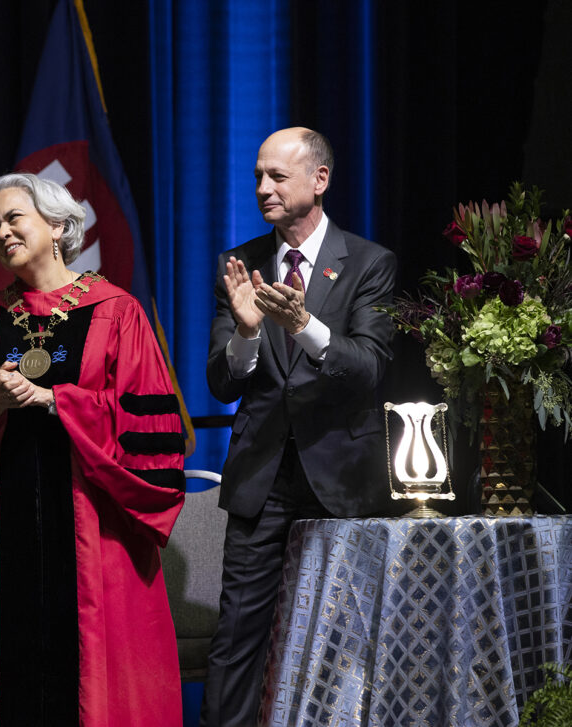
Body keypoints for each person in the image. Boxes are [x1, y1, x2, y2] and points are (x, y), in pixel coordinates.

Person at [0, 173, 185, 727]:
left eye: (14, 218)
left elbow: (151, 436)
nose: (1, 232)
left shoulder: (118, 312)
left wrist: (57, 400)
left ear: (58, 225)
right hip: (6, 528)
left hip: (97, 529)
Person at [201, 127, 396, 727]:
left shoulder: (368, 262)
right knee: (237, 638)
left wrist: (307, 325)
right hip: (263, 476)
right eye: (258, 176)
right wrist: (248, 331)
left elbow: (369, 370)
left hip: (343, 477)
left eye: (277, 177)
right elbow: (221, 383)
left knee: (350, 637)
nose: (262, 188)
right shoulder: (242, 265)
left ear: (320, 180)